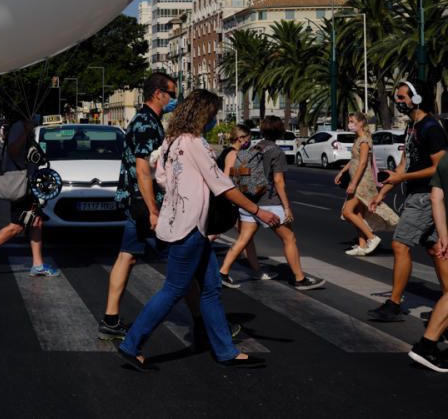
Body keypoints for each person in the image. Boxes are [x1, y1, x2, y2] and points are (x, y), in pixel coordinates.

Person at [116, 90, 280, 371]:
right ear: (203, 115)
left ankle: (225, 351)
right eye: (213, 115)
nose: (214, 121)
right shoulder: (196, 144)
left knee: (211, 288)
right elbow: (222, 185)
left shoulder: (170, 142)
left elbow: (164, 181)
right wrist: (258, 211)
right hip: (190, 226)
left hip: (179, 222)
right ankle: (131, 345)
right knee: (174, 289)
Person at [97, 72, 177, 341]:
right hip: (146, 204)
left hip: (137, 202)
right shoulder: (145, 123)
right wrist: (154, 210)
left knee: (127, 256)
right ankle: (208, 321)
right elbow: (143, 171)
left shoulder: (149, 120)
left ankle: (110, 319)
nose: (174, 99)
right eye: (172, 94)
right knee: (183, 259)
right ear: (158, 94)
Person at [368, 81, 448, 321]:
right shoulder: (412, 127)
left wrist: (403, 176)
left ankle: (394, 303)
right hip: (416, 195)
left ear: (417, 98)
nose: (398, 102)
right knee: (436, 250)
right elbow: (404, 163)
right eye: (397, 98)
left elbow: (439, 167)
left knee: (400, 245)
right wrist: (383, 192)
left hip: (426, 196)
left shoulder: (430, 128)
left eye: (402, 98)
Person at [218, 116, 325, 290]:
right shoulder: (276, 151)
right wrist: (287, 207)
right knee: (289, 238)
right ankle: (299, 278)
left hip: (249, 200)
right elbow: (278, 181)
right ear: (280, 131)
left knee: (244, 238)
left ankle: (223, 272)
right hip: (269, 202)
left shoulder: (254, 147)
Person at [0, 115, 60, 278]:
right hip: (20, 182)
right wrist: (26, 131)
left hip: (29, 182)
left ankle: (38, 264)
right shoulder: (19, 126)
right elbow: (13, 151)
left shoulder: (26, 125)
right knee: (17, 226)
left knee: (36, 222)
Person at [334, 112, 398, 256]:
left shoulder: (364, 140)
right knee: (358, 213)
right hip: (356, 179)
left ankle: (372, 238)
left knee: (347, 211)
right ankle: (362, 245)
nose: (350, 124)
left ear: (362, 122)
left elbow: (363, 163)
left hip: (362, 182)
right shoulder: (358, 138)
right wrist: (342, 172)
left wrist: (353, 184)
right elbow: (354, 160)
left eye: (352, 121)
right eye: (349, 121)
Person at [217, 125, 274, 280]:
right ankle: (206, 267)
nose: (249, 142)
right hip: (230, 201)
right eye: (248, 139)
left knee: (246, 237)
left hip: (229, 200)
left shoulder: (226, 151)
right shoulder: (233, 154)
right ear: (240, 138)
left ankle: (257, 271)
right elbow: (227, 176)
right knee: (215, 234)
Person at [408, 151, 448, 372]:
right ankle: (427, 345)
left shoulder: (445, 161)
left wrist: (443, 235)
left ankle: (428, 345)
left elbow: (436, 198)